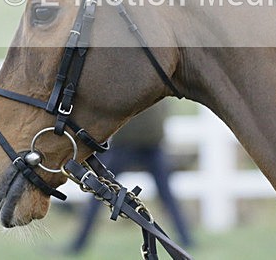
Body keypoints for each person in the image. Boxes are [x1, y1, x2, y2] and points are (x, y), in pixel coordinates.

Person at [67, 101, 194, 254]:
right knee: (102, 191)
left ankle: (186, 239)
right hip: (133, 144)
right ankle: (78, 243)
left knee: (102, 192)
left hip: (145, 144)